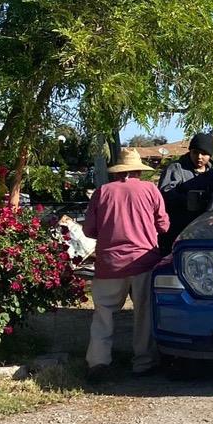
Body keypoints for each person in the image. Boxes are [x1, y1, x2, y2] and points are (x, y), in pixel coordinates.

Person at [82, 147, 169, 382]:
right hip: (143, 261)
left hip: (109, 264)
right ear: (139, 170)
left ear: (117, 171)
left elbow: (89, 230)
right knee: (144, 313)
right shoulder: (150, 190)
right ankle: (143, 362)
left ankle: (98, 362)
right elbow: (164, 226)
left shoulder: (102, 192)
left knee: (103, 314)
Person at [158, 132, 213, 251]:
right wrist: (191, 200)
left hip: (205, 229)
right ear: (190, 151)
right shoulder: (176, 168)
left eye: (204, 153)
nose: (199, 157)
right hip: (179, 229)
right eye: (196, 152)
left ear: (210, 155)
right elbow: (165, 193)